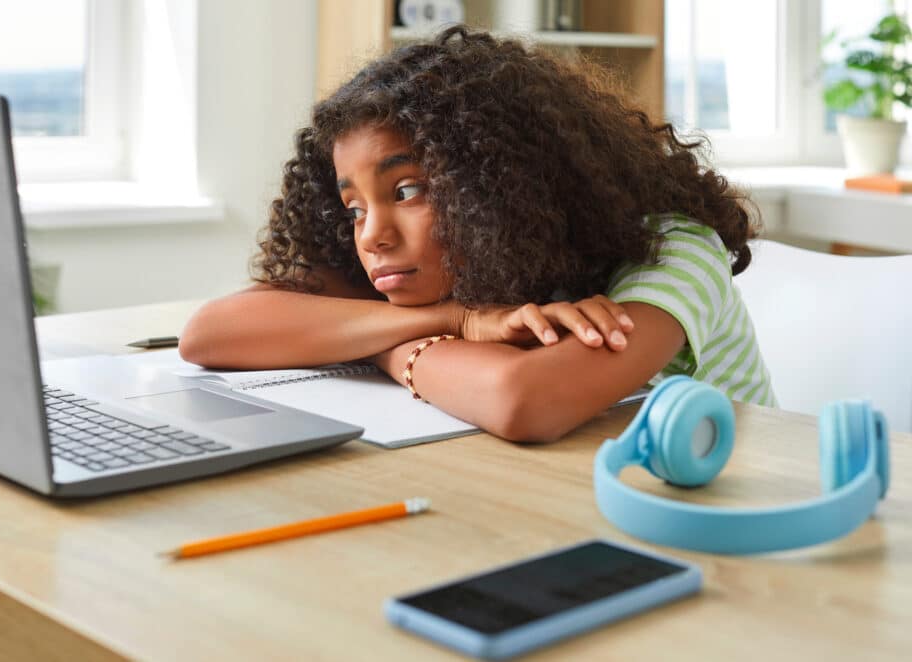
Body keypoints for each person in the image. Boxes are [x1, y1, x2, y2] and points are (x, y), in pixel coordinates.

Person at [179, 26, 776, 442]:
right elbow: (209, 334)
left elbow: (525, 402)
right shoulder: (412, 266)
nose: (373, 236)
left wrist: (387, 344)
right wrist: (452, 321)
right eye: (354, 207)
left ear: (500, 182)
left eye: (408, 191)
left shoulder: (674, 249)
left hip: (733, 516)